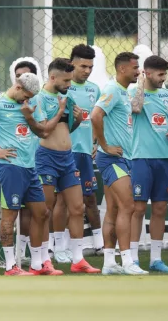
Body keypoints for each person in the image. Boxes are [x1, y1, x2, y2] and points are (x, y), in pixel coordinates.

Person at [0, 73, 53, 276]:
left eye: (31, 97)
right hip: (10, 167)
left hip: (30, 166)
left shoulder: (31, 103)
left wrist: (29, 116)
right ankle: (10, 266)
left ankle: (36, 265)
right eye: (26, 96)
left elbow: (43, 132)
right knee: (10, 215)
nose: (28, 100)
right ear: (18, 87)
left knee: (42, 213)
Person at [34, 58, 101, 274]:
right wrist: (60, 110)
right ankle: (44, 259)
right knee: (45, 210)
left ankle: (78, 259)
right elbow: (44, 131)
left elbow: (65, 129)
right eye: (65, 81)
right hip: (46, 158)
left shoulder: (66, 97)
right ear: (53, 77)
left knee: (78, 207)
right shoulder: (39, 98)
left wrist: (78, 120)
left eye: (70, 80)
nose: (69, 85)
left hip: (68, 158)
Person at [92, 51, 145, 275]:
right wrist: (104, 145)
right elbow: (95, 115)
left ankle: (108, 263)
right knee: (128, 206)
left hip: (124, 158)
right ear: (122, 69)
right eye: (135, 68)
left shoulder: (123, 92)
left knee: (113, 209)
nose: (138, 72)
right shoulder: (113, 89)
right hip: (113, 159)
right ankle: (128, 261)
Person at [128, 56, 168, 273]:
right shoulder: (133, 91)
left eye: (165, 74)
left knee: (160, 208)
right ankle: (133, 258)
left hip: (165, 158)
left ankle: (156, 259)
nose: (163, 78)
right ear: (147, 73)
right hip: (141, 157)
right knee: (138, 208)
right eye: (160, 74)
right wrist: (140, 84)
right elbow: (136, 109)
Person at [66, 44, 104, 256]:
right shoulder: (62, 87)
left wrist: (95, 142)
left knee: (89, 197)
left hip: (85, 152)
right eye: (83, 66)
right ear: (72, 64)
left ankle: (99, 243)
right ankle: (58, 246)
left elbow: (97, 118)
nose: (87, 71)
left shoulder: (94, 89)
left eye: (90, 67)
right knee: (62, 201)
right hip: (64, 151)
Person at [8, 58, 43, 262]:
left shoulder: (37, 100)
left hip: (36, 159)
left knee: (36, 209)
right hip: (13, 164)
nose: (21, 79)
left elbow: (43, 130)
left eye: (26, 75)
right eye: (18, 76)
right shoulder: (4, 101)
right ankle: (16, 256)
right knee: (14, 210)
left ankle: (36, 254)